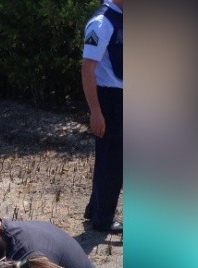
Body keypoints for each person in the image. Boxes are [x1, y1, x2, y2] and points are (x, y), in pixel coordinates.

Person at [81, 0, 123, 233]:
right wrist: (95, 111)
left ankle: (95, 209)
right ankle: (103, 220)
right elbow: (88, 68)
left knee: (113, 159)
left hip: (123, 97)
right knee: (112, 162)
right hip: (110, 99)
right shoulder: (102, 22)